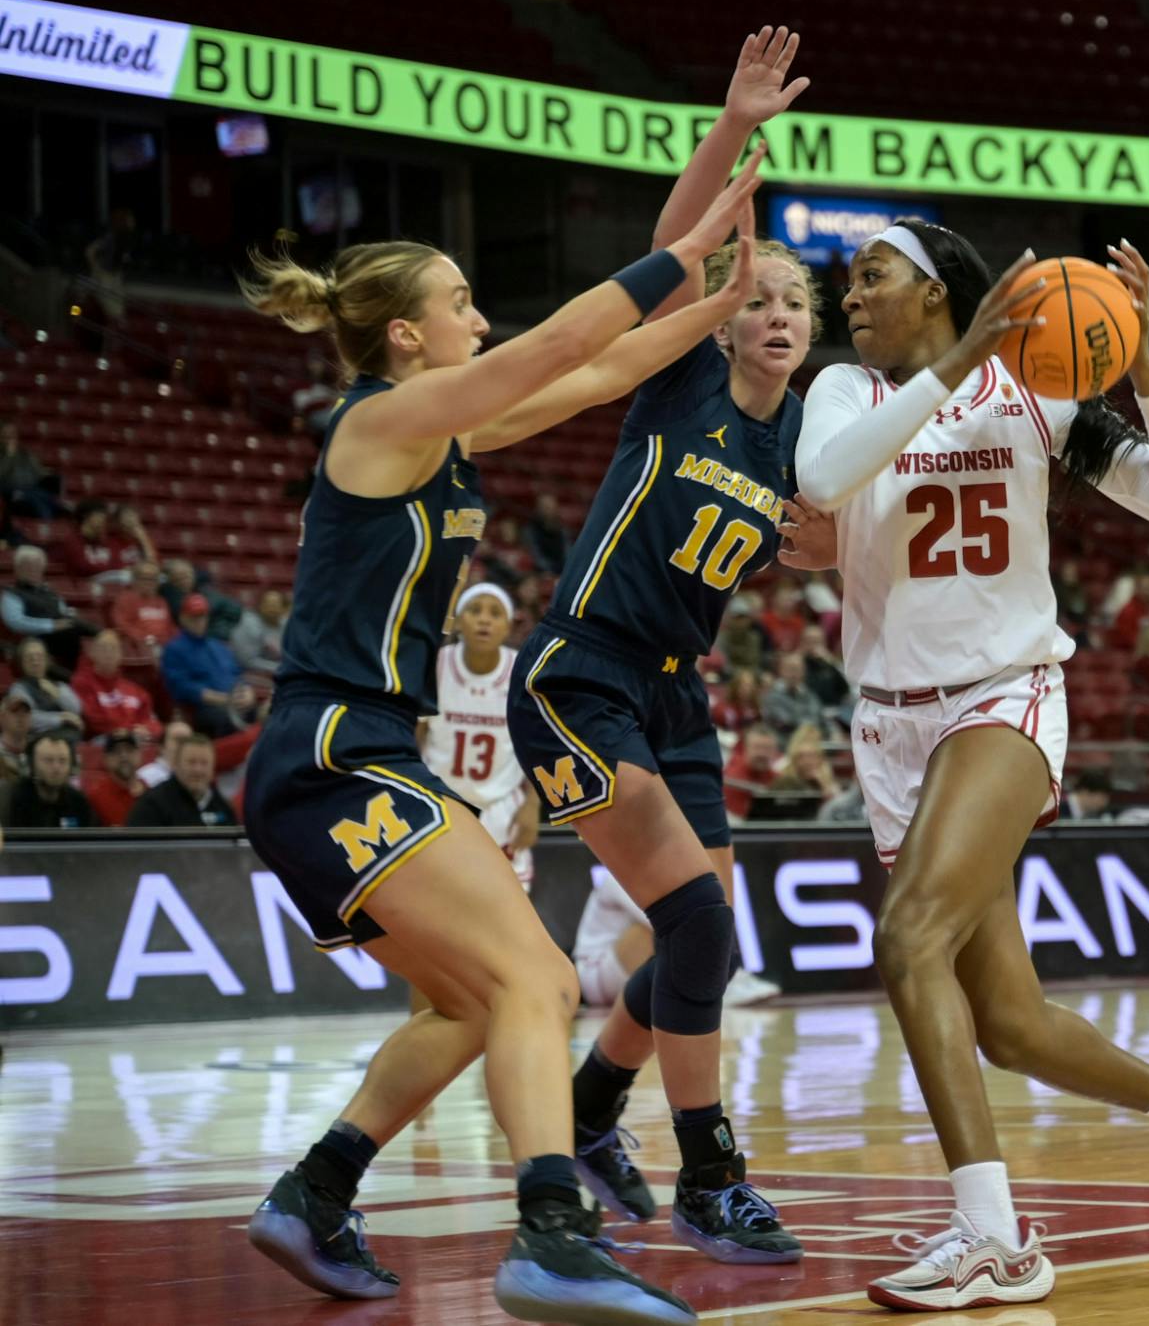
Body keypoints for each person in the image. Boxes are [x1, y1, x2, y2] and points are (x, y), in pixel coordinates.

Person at [233, 118, 761, 1323]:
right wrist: (681, 254)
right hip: (330, 750)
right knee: (534, 973)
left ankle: (313, 1194)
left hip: (345, 759)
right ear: (405, 333)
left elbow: (606, 369)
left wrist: (713, 289)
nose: (480, 318)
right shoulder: (381, 421)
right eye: (463, 302)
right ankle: (550, 1232)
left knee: (470, 1003)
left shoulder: (446, 432)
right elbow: (568, 336)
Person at [799, 217, 1149, 1312]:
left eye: (873, 275)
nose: (850, 295)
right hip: (889, 725)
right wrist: (952, 365)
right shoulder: (844, 394)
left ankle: (992, 1238)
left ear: (937, 289)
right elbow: (823, 481)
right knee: (1007, 1025)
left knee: (907, 935)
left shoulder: (1035, 398)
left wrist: (1140, 364)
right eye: (848, 280)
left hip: (1002, 696)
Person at [500, 34, 812, 1272]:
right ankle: (710, 1174)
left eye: (798, 303)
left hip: (677, 699)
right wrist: (731, 127)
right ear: (730, 318)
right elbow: (677, 248)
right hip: (583, 673)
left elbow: (829, 548)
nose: (778, 316)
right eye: (762, 300)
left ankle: (589, 1109)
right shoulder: (680, 378)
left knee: (703, 938)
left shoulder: (802, 435)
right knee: (694, 925)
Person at [418, 585, 536, 887]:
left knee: (510, 911)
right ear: (457, 621)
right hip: (441, 805)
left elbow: (538, 747)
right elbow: (412, 738)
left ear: (507, 626)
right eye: (475, 611)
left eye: (495, 613)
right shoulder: (436, 665)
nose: (484, 620)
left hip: (502, 809)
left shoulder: (522, 673)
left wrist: (532, 804)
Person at [159, 595, 256, 736]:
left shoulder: (217, 646)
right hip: (205, 708)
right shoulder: (174, 649)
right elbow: (182, 686)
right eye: (194, 617)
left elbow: (237, 674)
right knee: (227, 719)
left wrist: (248, 692)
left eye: (203, 616)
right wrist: (223, 699)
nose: (199, 621)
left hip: (234, 702)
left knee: (269, 711)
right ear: (183, 618)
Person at [125, 732, 236, 827]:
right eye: (191, 762)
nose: (198, 770)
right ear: (176, 765)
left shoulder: (223, 806)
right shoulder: (152, 805)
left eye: (204, 763)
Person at [3, 545, 86, 670]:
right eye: (28, 565)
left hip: (57, 642)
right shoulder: (11, 594)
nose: (33, 569)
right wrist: (51, 625)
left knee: (75, 625)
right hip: (29, 645)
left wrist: (70, 615)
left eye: (37, 565)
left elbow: (63, 612)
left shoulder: (50, 593)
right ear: (18, 568)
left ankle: (101, 635)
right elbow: (16, 623)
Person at [73, 627, 162, 742]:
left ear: (120, 654)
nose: (108, 653)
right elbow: (93, 720)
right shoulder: (82, 683)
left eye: (113, 649)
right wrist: (128, 731)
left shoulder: (135, 690)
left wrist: (147, 729)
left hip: (135, 740)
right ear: (93, 653)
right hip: (103, 741)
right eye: (103, 649)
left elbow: (153, 722)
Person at [2, 733, 94, 828]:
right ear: (32, 766)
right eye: (48, 760)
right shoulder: (12, 799)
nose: (56, 768)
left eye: (63, 761)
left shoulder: (78, 802)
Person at [7, 637, 83, 739]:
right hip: (39, 740)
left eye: (39, 656)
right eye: (29, 658)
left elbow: (77, 709)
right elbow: (26, 718)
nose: (35, 662)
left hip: (68, 737)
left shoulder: (59, 685)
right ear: (21, 663)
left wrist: (57, 694)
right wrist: (61, 718)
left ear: (47, 660)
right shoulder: (19, 688)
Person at [110, 559, 176, 662]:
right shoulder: (126, 599)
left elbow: (170, 626)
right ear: (134, 580)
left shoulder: (161, 601)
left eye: (153, 579)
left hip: (164, 647)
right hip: (138, 648)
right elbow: (123, 625)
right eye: (145, 578)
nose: (149, 583)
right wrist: (146, 639)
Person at [0, 418, 61, 519]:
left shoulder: (25, 453)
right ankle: (47, 522)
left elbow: (39, 472)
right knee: (36, 498)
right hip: (7, 491)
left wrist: (49, 473)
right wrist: (9, 456)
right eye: (6, 435)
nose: (10, 438)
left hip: (29, 488)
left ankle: (59, 512)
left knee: (45, 496)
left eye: (12, 434)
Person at [82, 730, 146, 826]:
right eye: (116, 751)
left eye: (129, 750)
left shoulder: (150, 793)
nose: (124, 756)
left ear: (139, 755)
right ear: (105, 759)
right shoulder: (95, 798)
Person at [760, 649, 825, 737]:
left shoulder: (810, 695)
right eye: (790, 669)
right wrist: (809, 725)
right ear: (781, 671)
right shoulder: (771, 697)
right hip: (783, 742)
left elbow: (818, 717)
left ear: (803, 672)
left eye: (797, 669)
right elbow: (786, 721)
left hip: (808, 739)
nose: (793, 674)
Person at [722, 724, 782, 819]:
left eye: (767, 748)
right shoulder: (729, 780)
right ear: (745, 748)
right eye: (757, 747)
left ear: (775, 751)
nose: (762, 754)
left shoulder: (779, 780)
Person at [232, 589, 290, 682]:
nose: (272, 609)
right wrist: (279, 668)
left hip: (281, 673)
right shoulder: (249, 624)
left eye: (275, 605)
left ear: (283, 609)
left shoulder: (287, 624)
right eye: (269, 605)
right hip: (251, 674)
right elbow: (248, 662)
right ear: (260, 606)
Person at [524, 491, 571, 575]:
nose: (548, 510)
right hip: (540, 574)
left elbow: (568, 555)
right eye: (545, 507)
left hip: (561, 573)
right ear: (538, 509)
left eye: (551, 507)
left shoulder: (562, 531)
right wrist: (553, 571)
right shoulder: (530, 531)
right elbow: (536, 557)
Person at [0, 691, 32, 783]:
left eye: (26, 711)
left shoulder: (38, 750)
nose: (21, 716)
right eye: (14, 711)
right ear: (2, 718)